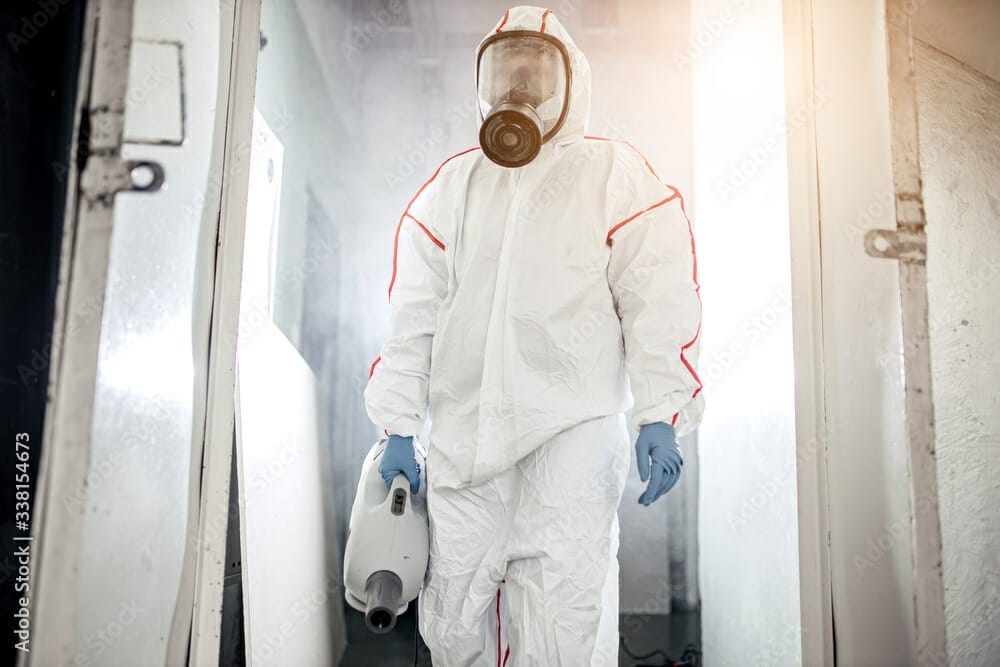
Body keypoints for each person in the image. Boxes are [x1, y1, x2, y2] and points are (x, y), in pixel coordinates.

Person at [365, 6, 703, 665]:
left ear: (569, 84)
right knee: (452, 621)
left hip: (570, 437)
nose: (518, 88)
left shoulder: (611, 176)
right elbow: (412, 316)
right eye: (505, 73)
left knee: (561, 622)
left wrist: (660, 413)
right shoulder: (454, 187)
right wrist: (398, 424)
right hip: (466, 441)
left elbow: (656, 298)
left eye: (535, 75)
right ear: (482, 83)